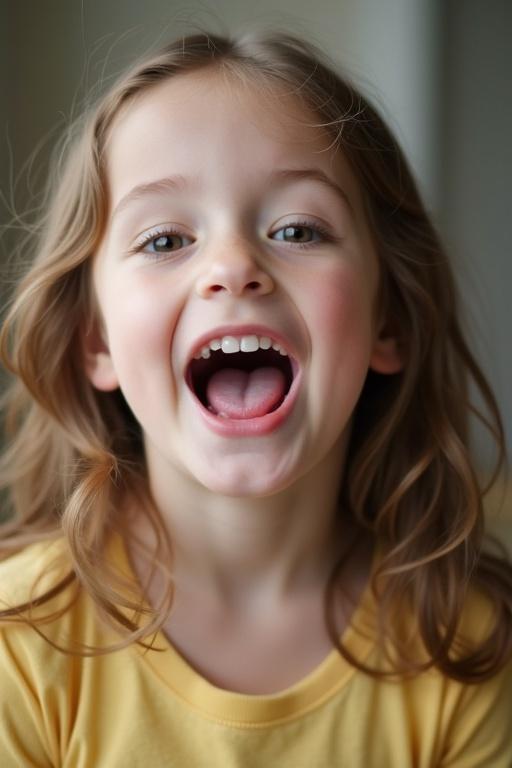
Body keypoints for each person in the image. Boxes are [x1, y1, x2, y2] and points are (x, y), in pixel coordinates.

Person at [0, 27, 511, 767]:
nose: (234, 266)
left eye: (298, 229)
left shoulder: (463, 649)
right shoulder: (19, 644)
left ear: (388, 319)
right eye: (166, 241)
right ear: (97, 340)